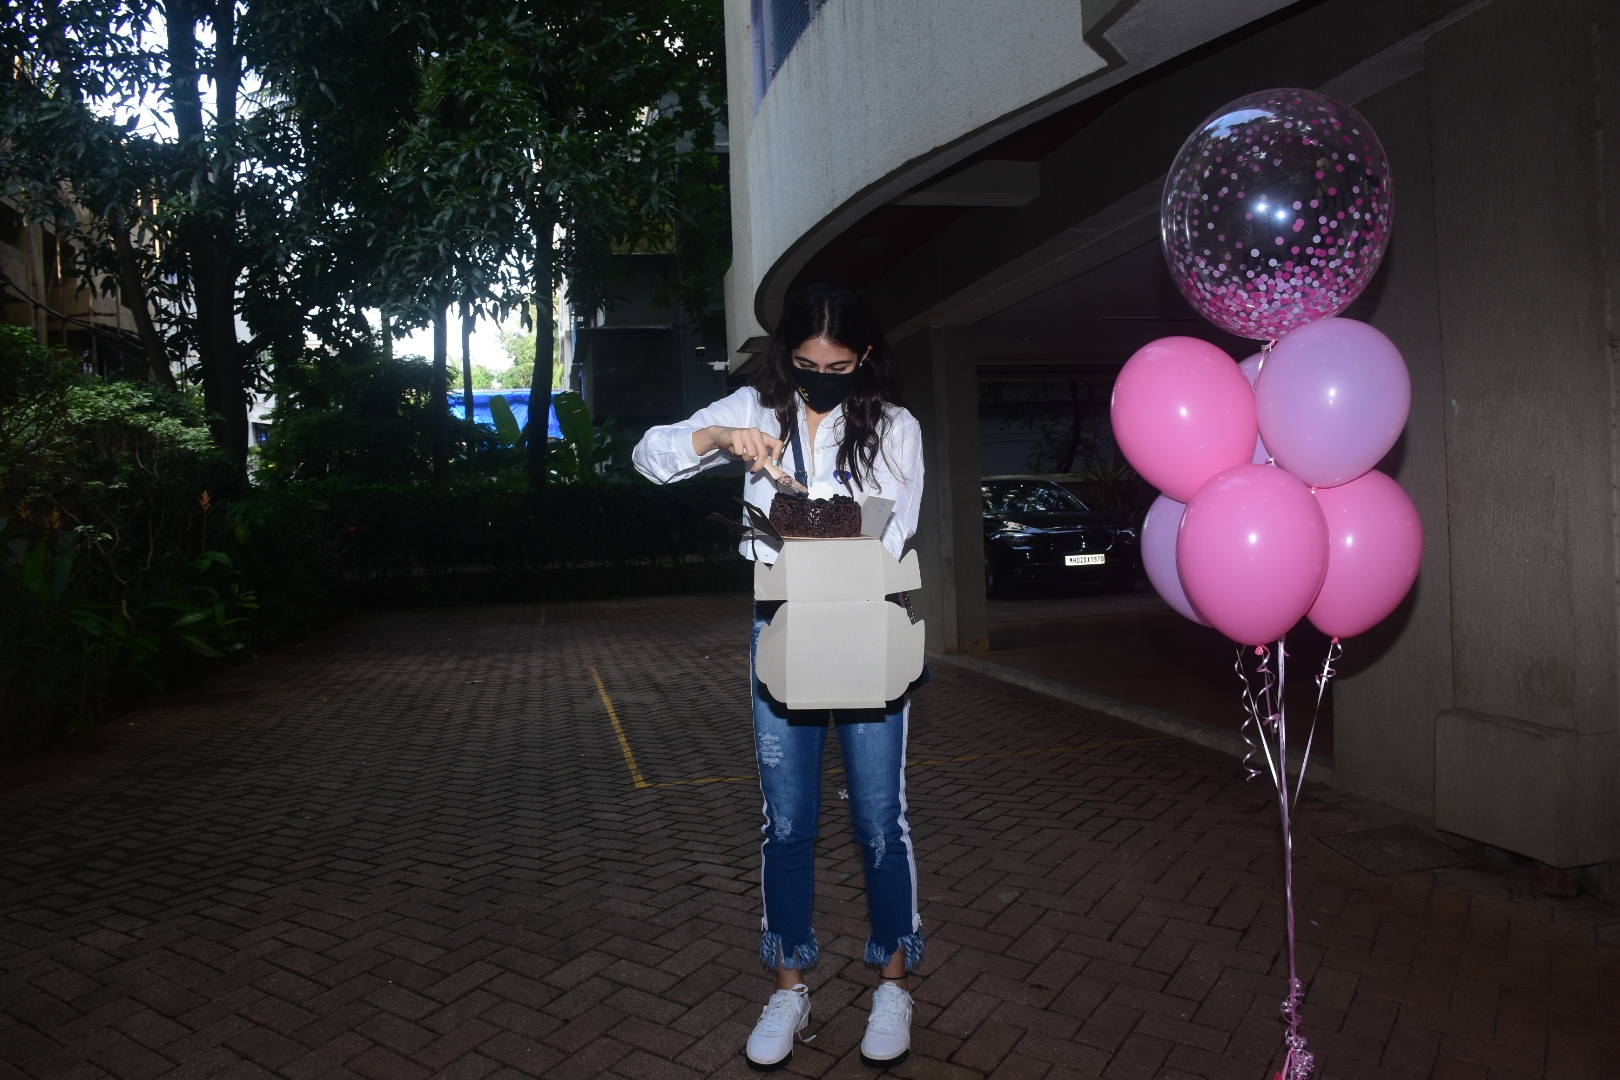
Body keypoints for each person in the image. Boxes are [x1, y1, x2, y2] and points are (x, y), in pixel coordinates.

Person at [632, 284, 926, 1071]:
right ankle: (791, 984)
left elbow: (898, 531)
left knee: (878, 819)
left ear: (863, 359)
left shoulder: (895, 427)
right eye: (804, 365)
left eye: (837, 365)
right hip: (783, 626)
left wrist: (811, 500)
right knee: (788, 822)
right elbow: (648, 455)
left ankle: (892, 979)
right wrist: (720, 439)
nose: (820, 378)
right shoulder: (757, 410)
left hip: (867, 622)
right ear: (785, 358)